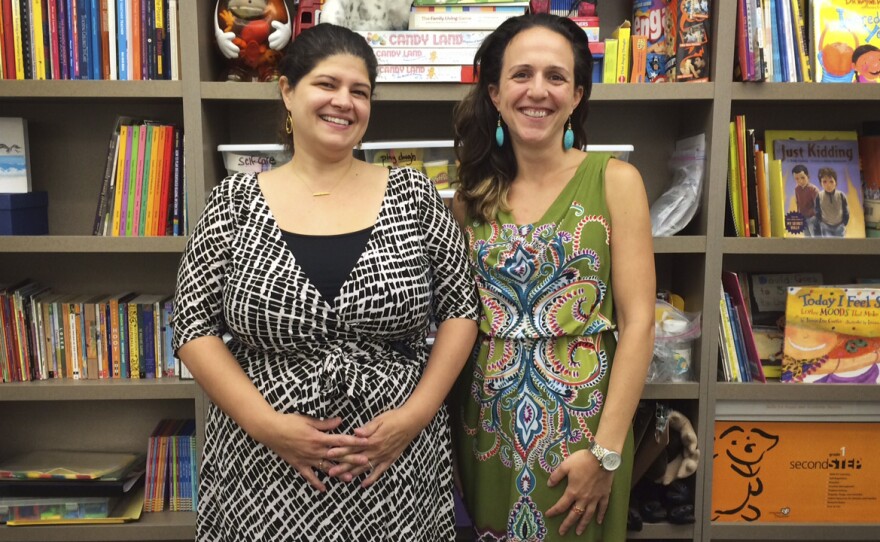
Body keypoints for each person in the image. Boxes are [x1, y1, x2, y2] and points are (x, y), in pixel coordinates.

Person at [173, 23, 479, 541]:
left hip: (394, 469)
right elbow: (192, 326)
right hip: (262, 471)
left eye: (360, 91)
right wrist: (267, 426)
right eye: (327, 84)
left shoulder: (414, 193)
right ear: (288, 91)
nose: (344, 102)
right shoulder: (233, 201)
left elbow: (461, 309)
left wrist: (414, 417)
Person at [451, 13, 656, 541]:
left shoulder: (616, 181)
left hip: (584, 431)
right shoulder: (470, 198)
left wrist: (605, 453)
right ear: (495, 94)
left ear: (577, 95)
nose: (537, 90)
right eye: (521, 75)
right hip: (486, 429)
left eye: (556, 76)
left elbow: (638, 323)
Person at [814, 166, 850, 237]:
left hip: (839, 226)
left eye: (831, 181)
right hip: (825, 226)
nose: (828, 185)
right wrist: (821, 223)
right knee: (828, 243)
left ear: (836, 182)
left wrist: (844, 223)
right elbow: (817, 211)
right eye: (824, 182)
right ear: (821, 183)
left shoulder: (841, 195)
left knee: (840, 243)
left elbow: (846, 211)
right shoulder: (819, 196)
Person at [791, 164, 820, 236]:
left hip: (812, 218)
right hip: (803, 217)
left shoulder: (813, 189)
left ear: (808, 176)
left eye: (803, 178)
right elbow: (798, 203)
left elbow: (818, 205)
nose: (800, 181)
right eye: (797, 179)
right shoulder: (797, 189)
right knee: (807, 237)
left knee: (815, 237)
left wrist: (815, 217)